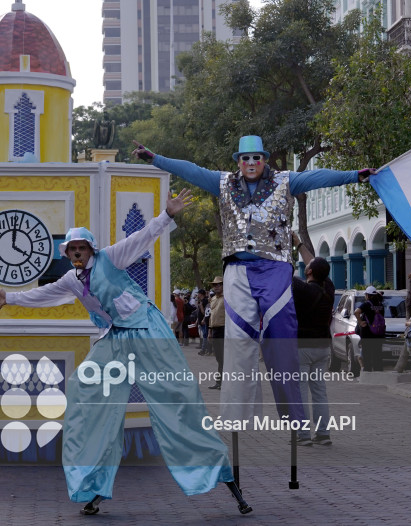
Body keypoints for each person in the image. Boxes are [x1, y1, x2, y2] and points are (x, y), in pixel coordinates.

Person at [0, 189, 252, 516]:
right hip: (116, 338)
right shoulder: (73, 280)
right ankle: (95, 484)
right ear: (68, 253)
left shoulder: (111, 258)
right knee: (83, 389)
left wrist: (167, 215)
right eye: (72, 249)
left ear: (90, 249)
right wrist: (12, 298)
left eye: (81, 248)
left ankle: (227, 482)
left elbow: (142, 238)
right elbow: (44, 294)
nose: (76, 252)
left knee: (176, 402)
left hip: (146, 332)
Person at [132, 136, 375, 423]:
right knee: (238, 342)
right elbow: (191, 170)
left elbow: (316, 177)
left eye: (256, 158)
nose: (250, 163)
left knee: (281, 336)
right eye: (245, 158)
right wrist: (154, 158)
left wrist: (353, 176)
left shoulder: (285, 181)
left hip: (274, 269)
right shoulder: (222, 182)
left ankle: (293, 414)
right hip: (237, 270)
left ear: (265, 160)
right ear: (238, 162)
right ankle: (238, 414)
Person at [291, 232, 334, 446]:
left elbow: (282, 275)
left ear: (308, 272)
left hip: (302, 347)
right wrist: (299, 244)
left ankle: (304, 435)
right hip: (323, 346)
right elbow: (315, 265)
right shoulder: (329, 288)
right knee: (319, 391)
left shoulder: (302, 289)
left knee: (299, 391)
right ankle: (323, 434)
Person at [354, 286, 386, 372]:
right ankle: (378, 370)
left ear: (368, 295)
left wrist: (360, 322)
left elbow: (356, 312)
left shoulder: (367, 304)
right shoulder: (381, 305)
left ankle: (368, 370)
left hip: (368, 333)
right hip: (379, 334)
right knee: (377, 353)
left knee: (367, 353)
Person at [207, 277, 225, 390]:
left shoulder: (228, 298)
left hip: (225, 329)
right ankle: (219, 382)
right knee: (219, 358)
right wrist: (209, 331)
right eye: (215, 285)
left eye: (219, 284)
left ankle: (223, 382)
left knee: (224, 358)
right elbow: (211, 315)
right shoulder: (213, 299)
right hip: (215, 330)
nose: (216, 287)